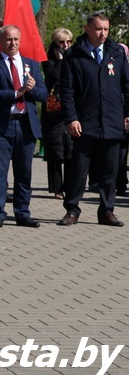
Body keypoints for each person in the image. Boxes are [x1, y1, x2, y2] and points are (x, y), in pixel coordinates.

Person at [58, 13, 129, 227]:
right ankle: (72, 209)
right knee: (79, 170)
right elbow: (67, 91)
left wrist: (127, 113)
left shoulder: (116, 53)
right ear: (87, 29)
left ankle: (106, 211)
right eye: (98, 29)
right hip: (85, 122)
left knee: (110, 170)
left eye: (106, 29)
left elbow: (127, 86)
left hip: (113, 122)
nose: (103, 33)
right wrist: (71, 118)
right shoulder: (74, 55)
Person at [0, 25, 47, 228]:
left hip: (25, 126)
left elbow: (43, 95)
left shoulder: (32, 65)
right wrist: (16, 93)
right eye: (8, 39)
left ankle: (22, 213)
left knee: (24, 173)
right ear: (1, 41)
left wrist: (32, 90)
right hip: (2, 126)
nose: (13, 43)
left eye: (16, 39)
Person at [42, 28, 73, 200]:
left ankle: (70, 185)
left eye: (68, 42)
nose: (65, 45)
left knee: (70, 148)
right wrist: (61, 61)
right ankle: (56, 187)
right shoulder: (48, 59)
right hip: (54, 110)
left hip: (69, 108)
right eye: (61, 42)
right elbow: (54, 77)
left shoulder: (74, 57)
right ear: (55, 43)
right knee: (55, 149)